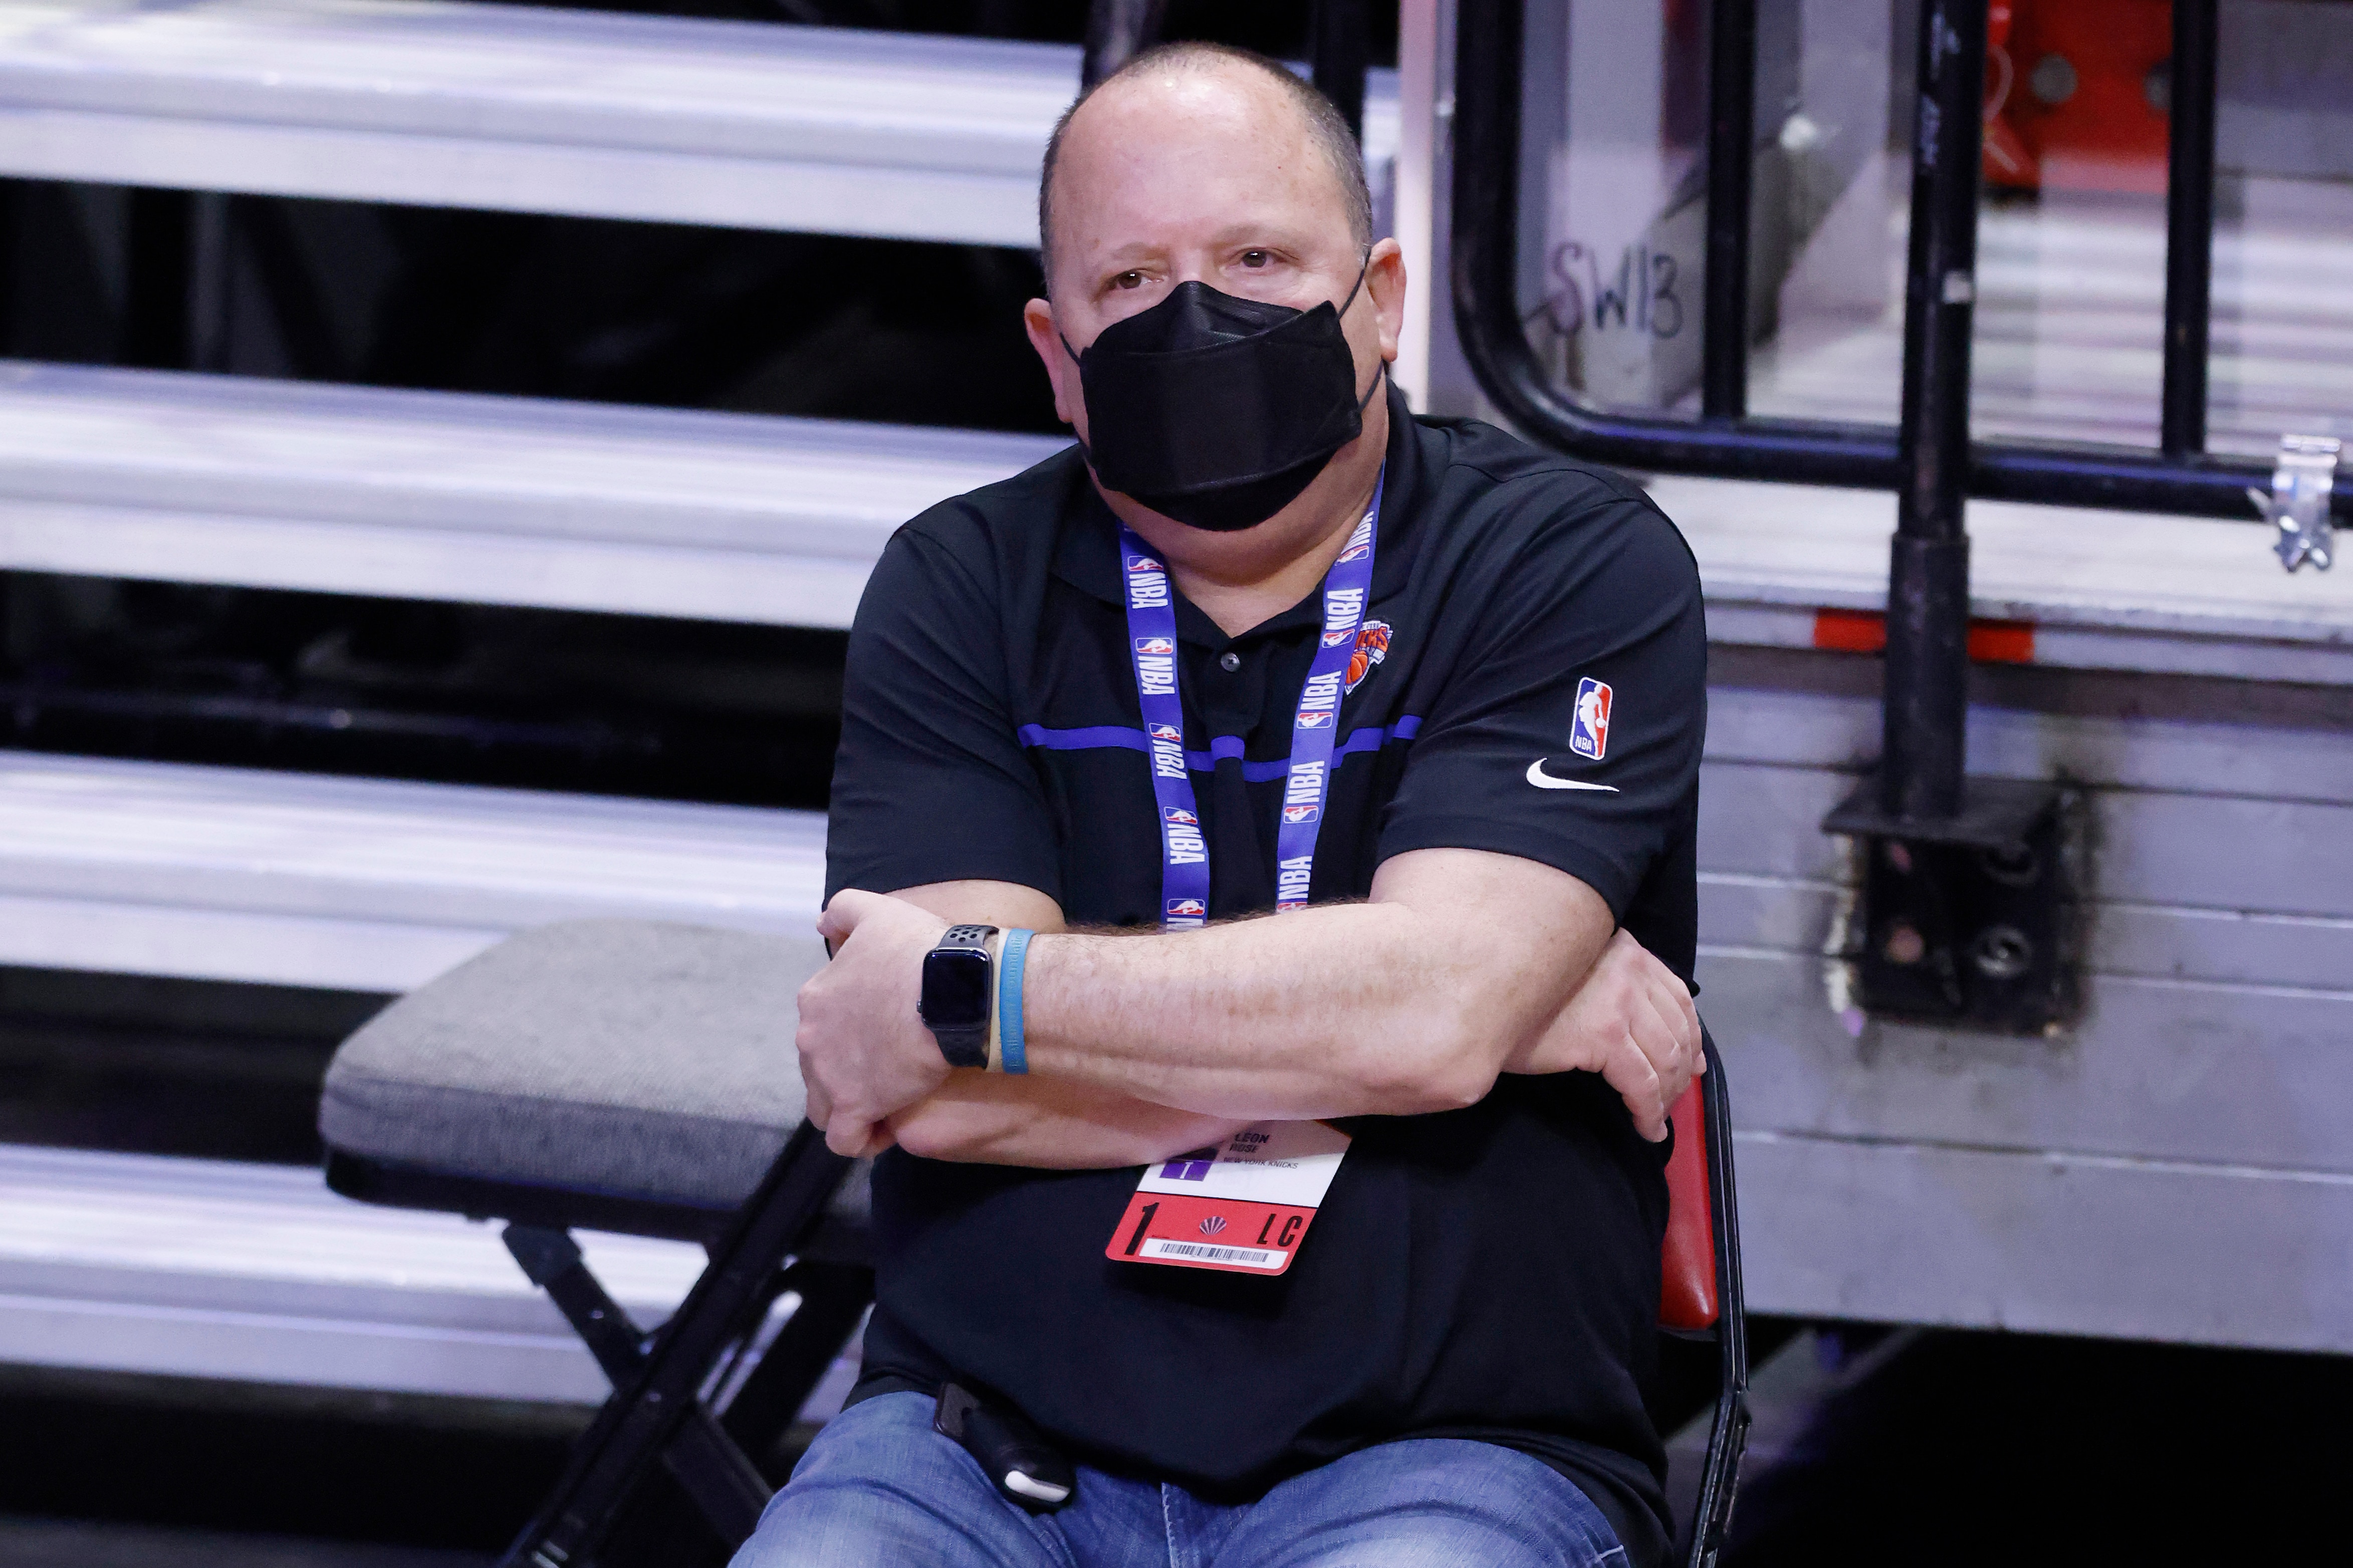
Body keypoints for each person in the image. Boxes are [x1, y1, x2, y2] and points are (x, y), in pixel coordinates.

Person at [740, 40, 1710, 1568]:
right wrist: (1442, 1020)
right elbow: (931, 1092)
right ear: (1058, 358)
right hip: (984, 1447)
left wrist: (980, 989)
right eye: (1133, 283)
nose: (1198, 317)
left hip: (1439, 1456)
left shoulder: (1570, 562)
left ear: (1380, 297)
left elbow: (1421, 1018)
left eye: (1258, 258)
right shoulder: (959, 582)